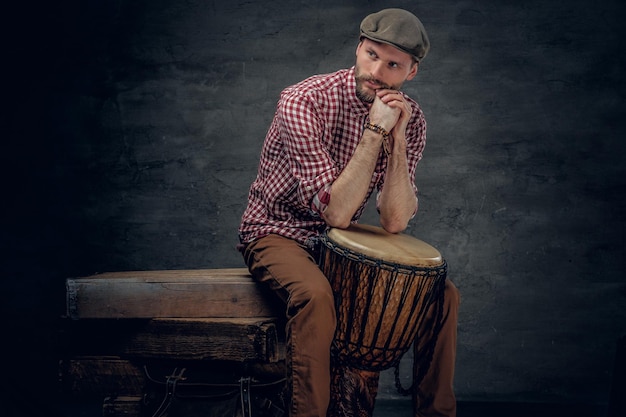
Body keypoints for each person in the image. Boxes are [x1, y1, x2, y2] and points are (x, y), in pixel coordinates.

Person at [238, 8, 459, 417]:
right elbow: (336, 212)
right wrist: (374, 130)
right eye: (371, 54)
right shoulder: (304, 100)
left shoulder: (412, 119)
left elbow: (394, 221)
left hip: (340, 243)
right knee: (314, 296)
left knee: (441, 294)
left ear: (411, 73)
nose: (376, 71)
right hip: (278, 230)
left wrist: (395, 138)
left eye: (393, 65)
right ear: (358, 47)